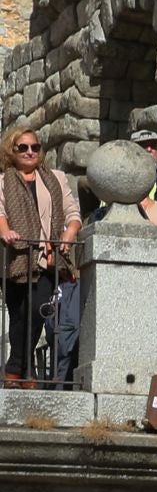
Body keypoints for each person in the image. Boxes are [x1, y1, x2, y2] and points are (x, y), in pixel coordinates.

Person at [1, 122, 80, 384]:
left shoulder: (56, 178)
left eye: (35, 147)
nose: (29, 152)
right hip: (15, 259)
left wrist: (69, 234)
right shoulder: (3, 181)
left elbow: (72, 212)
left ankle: (16, 367)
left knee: (38, 310)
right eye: (22, 147)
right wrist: (6, 231)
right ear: (12, 151)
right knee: (19, 314)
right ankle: (24, 371)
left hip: (48, 258)